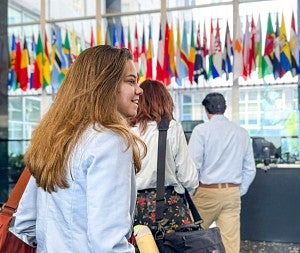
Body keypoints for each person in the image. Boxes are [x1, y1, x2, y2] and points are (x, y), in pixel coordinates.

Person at [13, 45, 146, 252]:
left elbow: (25, 223)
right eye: (131, 81)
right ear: (105, 85)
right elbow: (108, 245)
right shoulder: (110, 141)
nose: (139, 89)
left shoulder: (55, 138)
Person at [188, 92, 256, 253]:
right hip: (232, 193)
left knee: (192, 238)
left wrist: (191, 193)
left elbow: (193, 166)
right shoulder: (241, 132)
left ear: (206, 109)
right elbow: (250, 169)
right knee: (230, 244)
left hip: (206, 193)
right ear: (225, 108)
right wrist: (237, 191)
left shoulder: (201, 131)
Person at [130, 79, 198, 235]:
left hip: (133, 209)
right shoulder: (171, 128)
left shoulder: (126, 130)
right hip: (169, 208)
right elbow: (188, 177)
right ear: (165, 101)